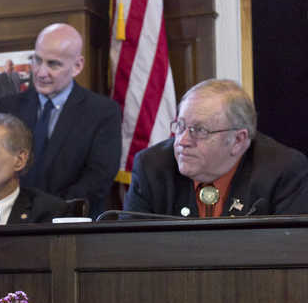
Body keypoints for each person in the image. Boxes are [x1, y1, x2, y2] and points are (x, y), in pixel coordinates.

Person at [124, 79, 308, 217]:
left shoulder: (284, 171)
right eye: (180, 126)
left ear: (238, 140)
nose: (182, 141)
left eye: (199, 130)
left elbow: (288, 253)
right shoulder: (151, 167)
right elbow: (131, 250)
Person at [0, 23, 121, 217]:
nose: (40, 72)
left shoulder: (102, 112)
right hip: (12, 220)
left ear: (77, 66)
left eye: (53, 64)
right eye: (37, 60)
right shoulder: (7, 108)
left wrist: (48, 211)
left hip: (72, 222)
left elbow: (98, 178)